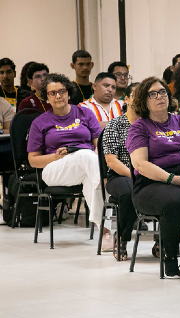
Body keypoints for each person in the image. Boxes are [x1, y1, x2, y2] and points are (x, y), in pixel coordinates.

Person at [126, 76, 180, 279]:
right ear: (144, 100)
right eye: (153, 94)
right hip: (152, 184)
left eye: (162, 92)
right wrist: (173, 180)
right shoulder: (139, 127)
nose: (159, 96)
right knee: (178, 202)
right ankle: (170, 256)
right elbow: (140, 164)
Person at [26, 73, 105, 241]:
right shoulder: (39, 122)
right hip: (54, 169)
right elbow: (33, 160)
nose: (58, 96)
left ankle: (105, 233)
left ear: (68, 92)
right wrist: (55, 157)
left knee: (90, 177)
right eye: (52, 93)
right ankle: (106, 185)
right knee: (87, 157)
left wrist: (96, 154)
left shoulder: (85, 113)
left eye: (61, 91)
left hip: (86, 165)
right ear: (47, 97)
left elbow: (99, 143)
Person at [103, 83, 140, 261]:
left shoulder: (150, 124)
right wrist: (134, 174)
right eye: (135, 95)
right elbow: (111, 160)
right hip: (120, 175)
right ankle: (123, 238)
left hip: (150, 173)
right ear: (126, 99)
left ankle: (164, 240)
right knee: (129, 191)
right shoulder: (115, 125)